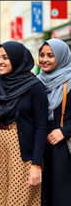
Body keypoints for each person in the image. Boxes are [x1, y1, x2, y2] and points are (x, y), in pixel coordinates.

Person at [0, 41, 48, 206]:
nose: (0, 61)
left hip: (22, 153)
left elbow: (41, 127)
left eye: (5, 58)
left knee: (19, 201)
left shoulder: (34, 86)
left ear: (17, 59)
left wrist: (36, 164)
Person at [37, 39, 71, 206]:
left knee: (61, 194)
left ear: (62, 57)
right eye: (42, 55)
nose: (44, 59)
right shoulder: (37, 82)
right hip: (40, 146)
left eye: (51, 55)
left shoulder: (70, 81)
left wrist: (64, 131)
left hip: (63, 147)